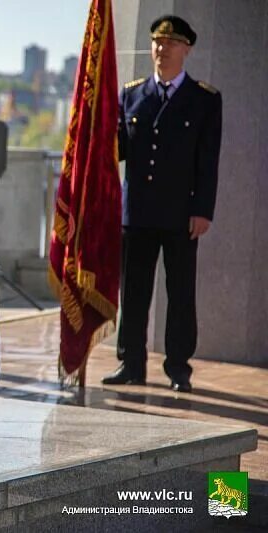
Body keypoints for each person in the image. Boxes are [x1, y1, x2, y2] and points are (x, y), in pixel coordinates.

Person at [103, 15, 222, 393]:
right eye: (157, 42)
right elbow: (116, 150)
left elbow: (208, 159)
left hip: (180, 214)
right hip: (137, 212)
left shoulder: (204, 99)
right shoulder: (132, 94)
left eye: (171, 43)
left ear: (186, 49)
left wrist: (202, 209)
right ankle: (131, 362)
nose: (162, 49)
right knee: (133, 292)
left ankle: (177, 367)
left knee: (180, 293)